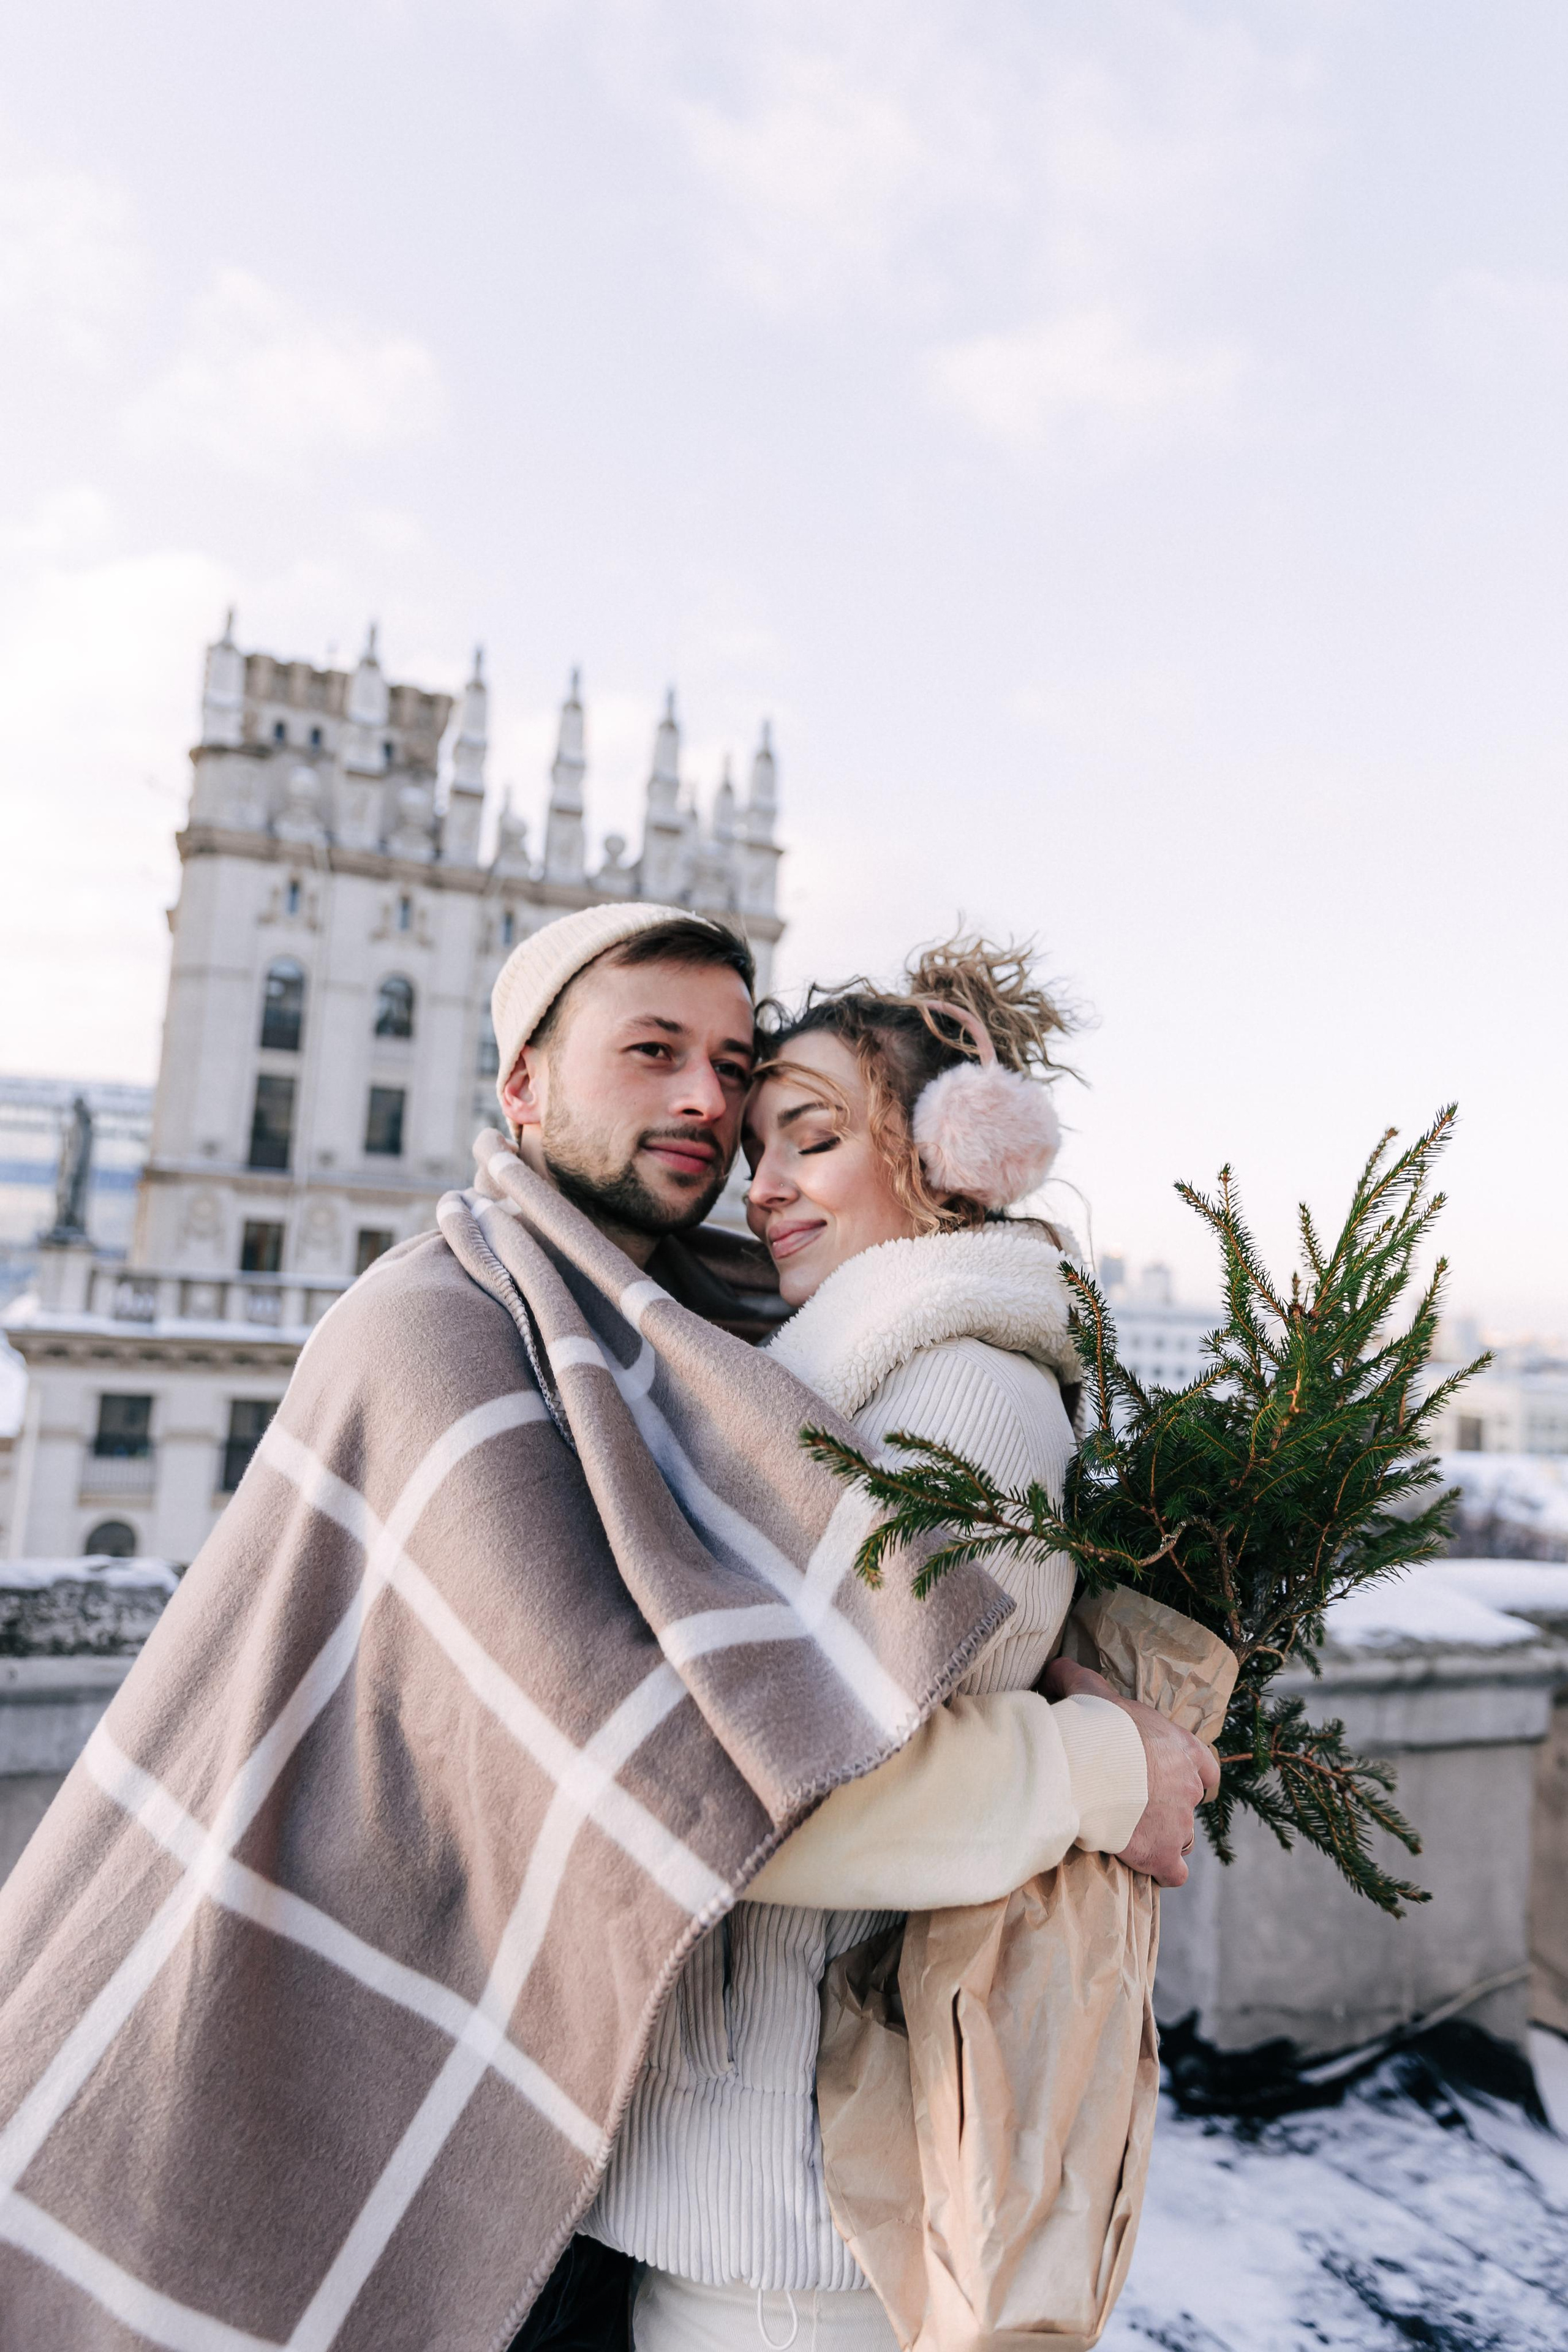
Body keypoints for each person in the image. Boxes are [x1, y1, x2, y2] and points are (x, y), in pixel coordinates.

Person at [546, 929, 1217, 2352]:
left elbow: (820, 1779)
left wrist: (1097, 1764)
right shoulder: (852, 1387)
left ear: (948, 1158)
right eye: (757, 1148)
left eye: (811, 1139)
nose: (762, 1185)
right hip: (748, 2193)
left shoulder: (959, 1396)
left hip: (797, 2228)